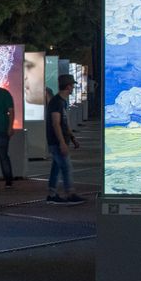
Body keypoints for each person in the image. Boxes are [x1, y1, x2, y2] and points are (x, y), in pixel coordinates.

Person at [46, 74, 83, 205]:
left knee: (56, 168)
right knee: (66, 167)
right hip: (56, 142)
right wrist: (62, 142)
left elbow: (64, 123)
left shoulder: (61, 101)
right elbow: (56, 123)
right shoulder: (57, 102)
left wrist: (72, 138)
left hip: (58, 141)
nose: (73, 88)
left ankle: (52, 194)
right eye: (72, 85)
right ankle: (70, 193)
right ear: (68, 86)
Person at [0, 73, 15, 187]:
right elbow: (11, 111)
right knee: (2, 156)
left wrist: (10, 127)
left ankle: (8, 179)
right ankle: (7, 180)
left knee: (3, 155)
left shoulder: (4, 93)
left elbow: (11, 111)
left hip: (0, 129)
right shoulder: (3, 93)